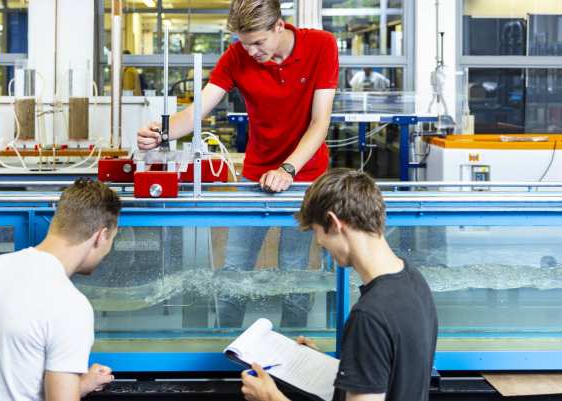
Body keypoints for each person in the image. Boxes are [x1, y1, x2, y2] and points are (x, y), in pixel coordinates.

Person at [137, 0, 339, 328]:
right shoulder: (236, 56)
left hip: (306, 176)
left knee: (295, 267)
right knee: (234, 265)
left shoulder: (321, 45)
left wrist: (288, 169)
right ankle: (226, 339)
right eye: (244, 44)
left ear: (279, 26)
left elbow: (320, 122)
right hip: (256, 174)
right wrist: (160, 133)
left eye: (258, 43)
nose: (251, 52)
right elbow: (197, 110)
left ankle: (293, 343)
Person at [240, 169, 438, 401]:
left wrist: (271, 397)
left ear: (334, 224)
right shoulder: (413, 280)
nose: (320, 243)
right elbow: (389, 371)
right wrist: (327, 364)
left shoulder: (370, 316)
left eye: (317, 232)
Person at [0, 179, 122, 401]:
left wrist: (79, 385)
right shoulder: (69, 305)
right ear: (102, 236)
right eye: (112, 240)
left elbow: (5, 382)